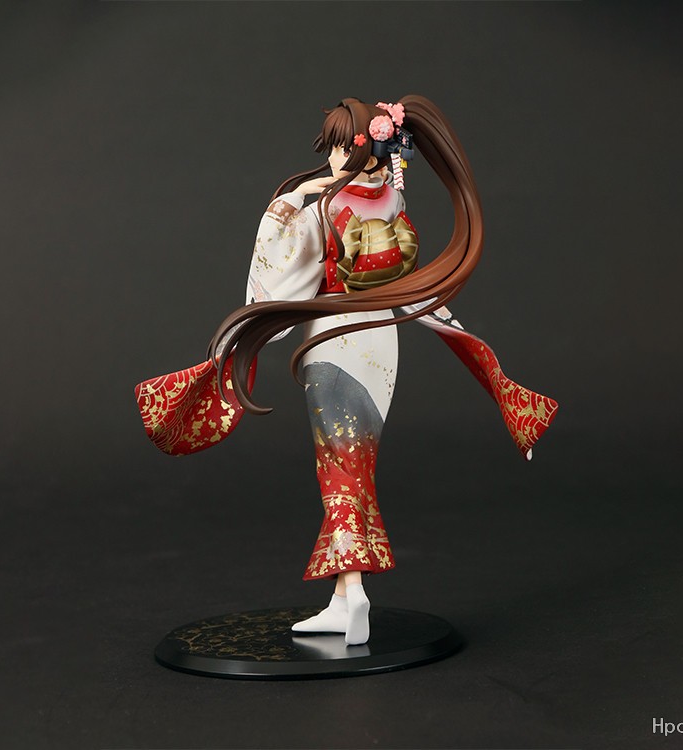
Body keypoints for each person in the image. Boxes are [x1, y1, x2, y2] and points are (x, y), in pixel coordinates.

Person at [135, 96, 558, 646]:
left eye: (342, 146)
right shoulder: (393, 202)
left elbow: (279, 275)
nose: (334, 158)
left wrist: (288, 202)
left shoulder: (322, 210)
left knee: (340, 466)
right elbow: (404, 284)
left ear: (362, 150)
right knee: (354, 465)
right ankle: (344, 597)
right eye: (334, 147)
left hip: (334, 341)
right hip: (381, 339)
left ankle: (353, 595)